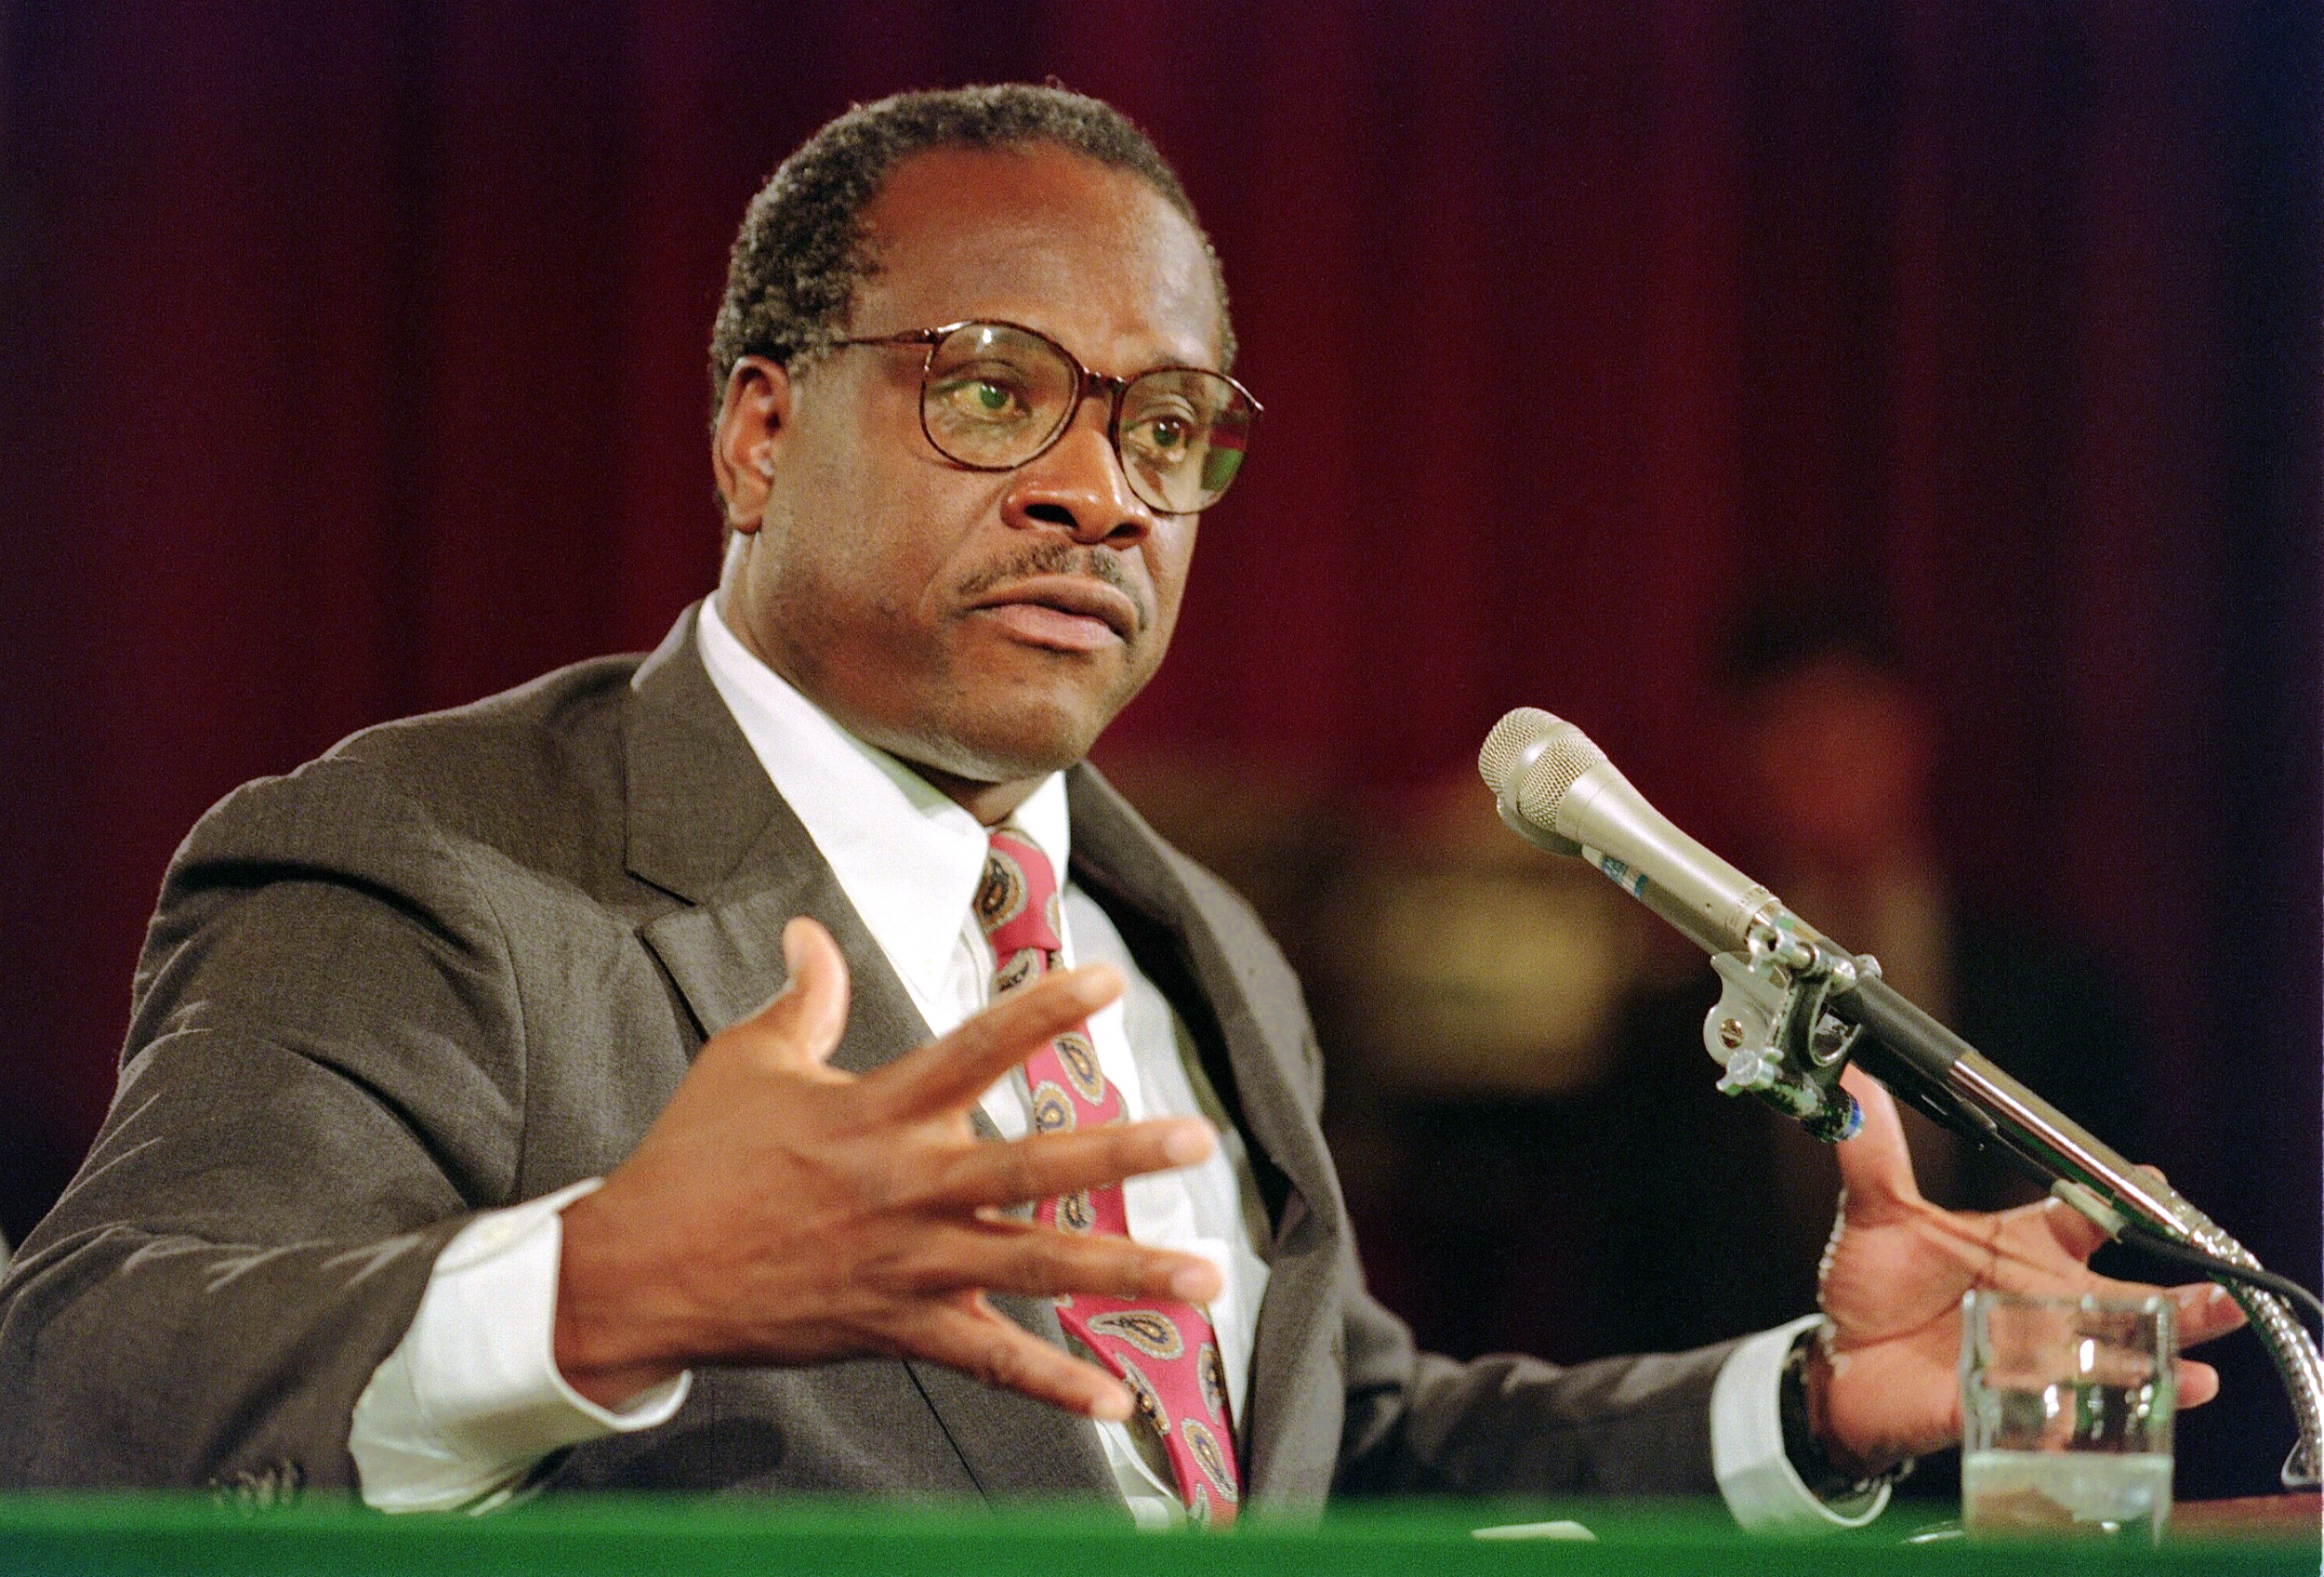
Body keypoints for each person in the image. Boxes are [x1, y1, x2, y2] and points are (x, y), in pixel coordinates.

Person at [0, 86, 2240, 1528]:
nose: (1097, 486)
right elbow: (75, 1381)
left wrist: (1796, 1407)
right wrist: (589, 1288)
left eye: (1169, 425)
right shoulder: (441, 863)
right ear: (757, 433)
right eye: (992, 389)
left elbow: (1321, 1456)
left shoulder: (1188, 944)